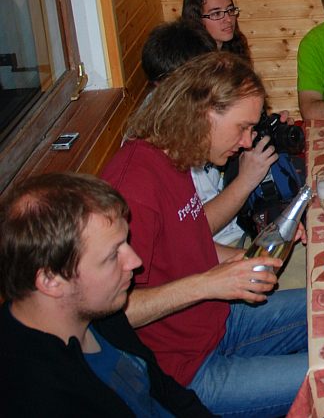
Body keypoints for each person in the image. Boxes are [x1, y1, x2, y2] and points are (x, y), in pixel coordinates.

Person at [101, 52, 307, 416]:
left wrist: (259, 250)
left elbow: (187, 245)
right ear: (202, 113)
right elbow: (113, 312)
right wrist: (208, 284)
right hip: (186, 372)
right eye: (242, 127)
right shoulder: (133, 188)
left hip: (219, 322)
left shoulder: (176, 158)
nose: (247, 142)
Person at [0, 172, 211, 417]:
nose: (135, 261)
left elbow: (165, 390)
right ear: (51, 280)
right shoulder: (35, 396)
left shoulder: (101, 308)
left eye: (126, 243)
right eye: (113, 255)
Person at [139, 19, 279, 246]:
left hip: (242, 230)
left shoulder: (193, 126)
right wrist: (246, 180)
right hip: (226, 243)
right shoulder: (159, 151)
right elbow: (188, 237)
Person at [182, 0, 252, 60]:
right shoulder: (191, 62)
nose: (229, 19)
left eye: (230, 10)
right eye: (216, 13)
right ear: (197, 19)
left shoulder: (235, 51)